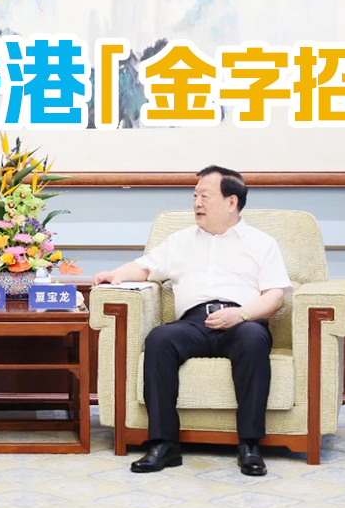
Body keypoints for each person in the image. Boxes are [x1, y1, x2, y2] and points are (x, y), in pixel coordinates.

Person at [93, 165, 291, 476]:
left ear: (231, 202)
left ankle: (250, 445)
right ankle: (163, 444)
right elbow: (145, 268)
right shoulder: (180, 240)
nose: (197, 203)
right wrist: (114, 275)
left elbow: (275, 296)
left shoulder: (261, 243)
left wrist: (240, 314)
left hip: (243, 320)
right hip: (194, 323)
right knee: (159, 339)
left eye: (205, 196)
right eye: (195, 196)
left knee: (253, 339)